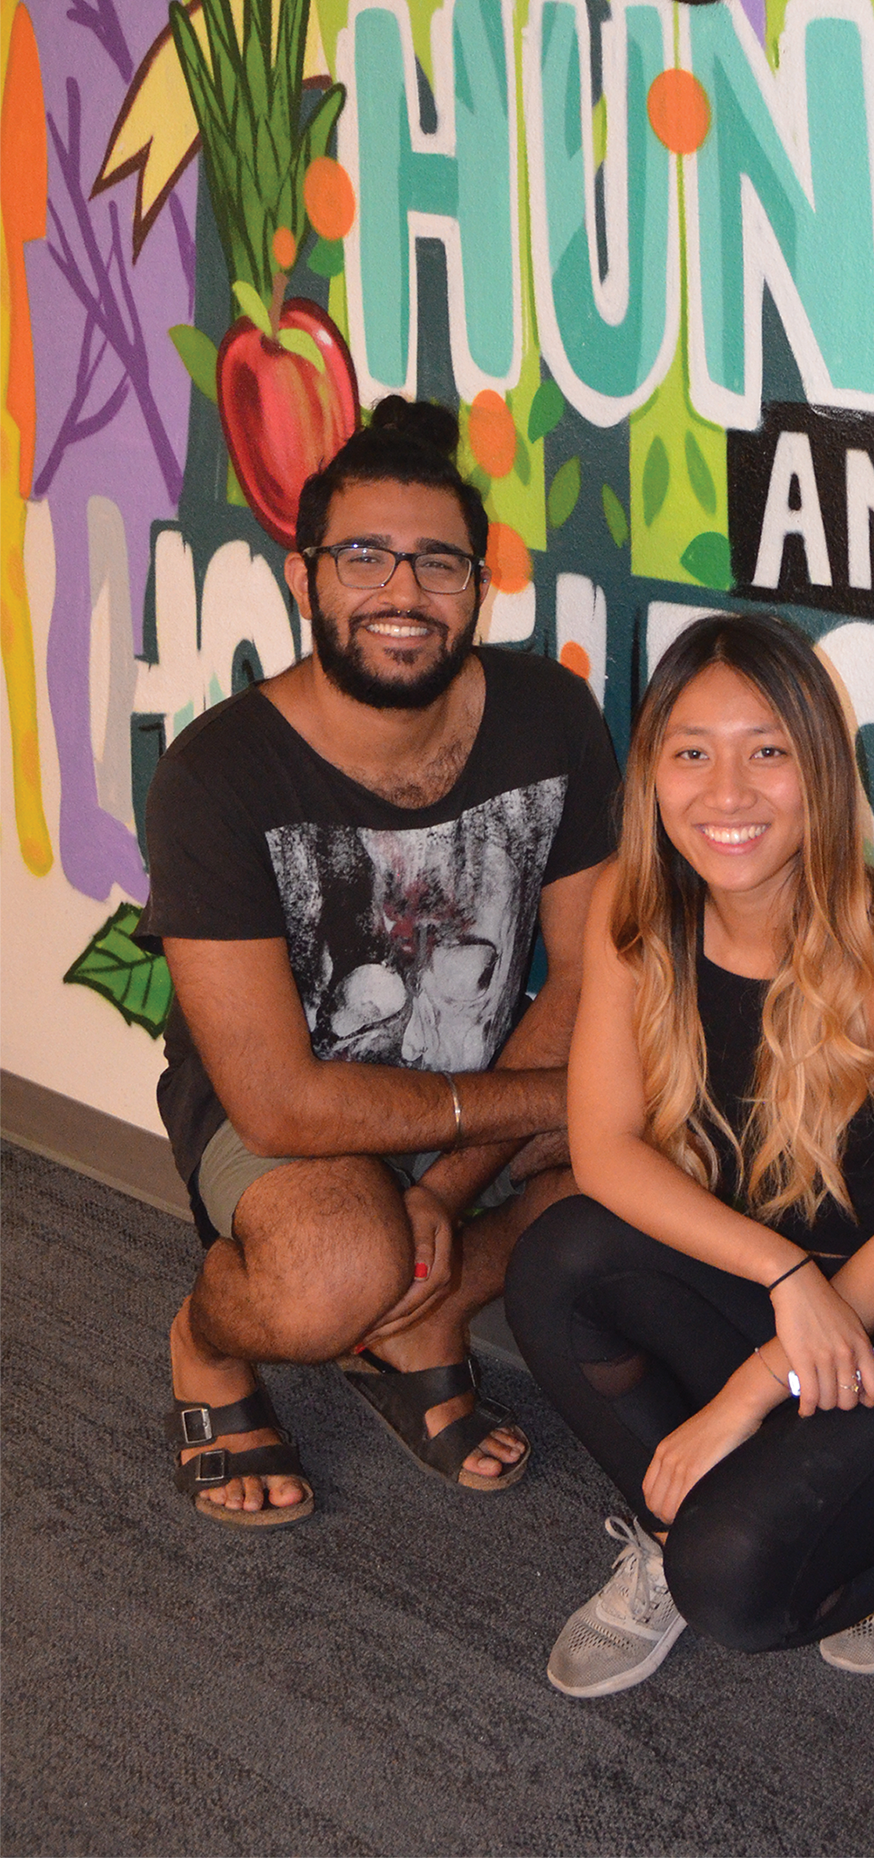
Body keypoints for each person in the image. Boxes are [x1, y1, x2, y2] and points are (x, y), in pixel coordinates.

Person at [147, 397, 619, 1525]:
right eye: (364, 556)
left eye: (436, 562)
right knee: (325, 1272)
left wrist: (448, 1188)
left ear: (479, 580)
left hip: (483, 1102)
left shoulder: (550, 714)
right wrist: (546, 1105)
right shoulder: (219, 775)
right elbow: (279, 1097)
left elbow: (594, 975)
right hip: (292, 1128)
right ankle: (207, 1344)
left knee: (679, 1135)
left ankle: (421, 1314)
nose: (403, 594)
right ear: (304, 570)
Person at [504, 611, 874, 1693]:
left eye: (766, 750)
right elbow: (605, 1147)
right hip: (776, 1289)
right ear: (653, 773)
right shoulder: (639, 903)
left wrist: (756, 1384)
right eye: (692, 752)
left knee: (737, 1588)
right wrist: (781, 1272)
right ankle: (678, 1533)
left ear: (818, 769)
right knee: (557, 1256)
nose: (728, 791)